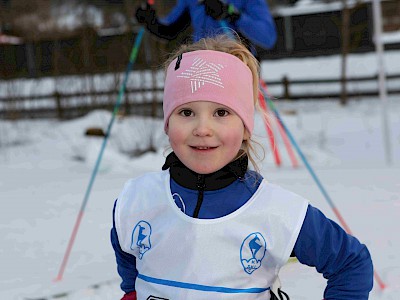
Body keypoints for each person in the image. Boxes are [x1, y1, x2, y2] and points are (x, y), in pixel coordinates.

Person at [111, 35, 373, 300]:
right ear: (168, 123)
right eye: (186, 112)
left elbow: (351, 264)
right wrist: (133, 292)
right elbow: (128, 256)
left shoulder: (276, 210)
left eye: (221, 113)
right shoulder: (137, 200)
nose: (202, 129)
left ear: (245, 128)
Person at [135, 0, 277, 53]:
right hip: (201, 65)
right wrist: (151, 22)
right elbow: (170, 30)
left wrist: (230, 13)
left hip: (236, 64)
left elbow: (267, 37)